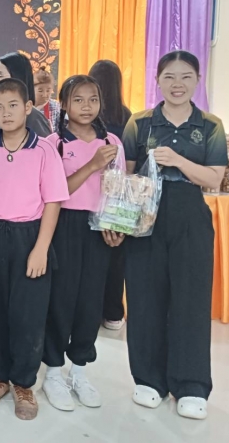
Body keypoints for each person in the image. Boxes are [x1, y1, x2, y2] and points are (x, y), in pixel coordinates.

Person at [122, 51, 227, 420]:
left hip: (190, 216)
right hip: (145, 217)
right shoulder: (139, 122)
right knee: (145, 297)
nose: (177, 84)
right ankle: (148, 379)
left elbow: (214, 179)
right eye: (169, 76)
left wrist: (179, 161)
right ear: (157, 80)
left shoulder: (211, 125)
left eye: (185, 76)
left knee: (191, 299)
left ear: (197, 80)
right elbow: (127, 177)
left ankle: (191, 384)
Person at [0, 78, 68, 421]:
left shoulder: (44, 150)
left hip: (30, 236)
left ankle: (23, 383)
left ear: (27, 108)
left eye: (13, 105)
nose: (5, 113)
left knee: (29, 314)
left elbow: (53, 202)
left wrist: (41, 248)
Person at [41, 75, 124, 412]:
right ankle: (52, 372)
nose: (86, 106)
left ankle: (79, 370)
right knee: (61, 298)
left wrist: (117, 224)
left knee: (91, 299)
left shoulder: (112, 141)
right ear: (64, 104)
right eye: (78, 100)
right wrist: (92, 165)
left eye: (93, 99)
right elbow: (55, 192)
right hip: (63, 225)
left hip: (99, 226)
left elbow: (118, 187)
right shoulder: (53, 143)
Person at [0, 51, 52, 342]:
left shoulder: (37, 131)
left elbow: (51, 195)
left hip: (27, 229)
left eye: (2, 75)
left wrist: (41, 246)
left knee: (25, 307)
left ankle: (24, 362)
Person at [89, 59, 133, 331]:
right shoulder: (127, 116)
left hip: (89, 194)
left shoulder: (88, 118)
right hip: (117, 196)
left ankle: (91, 313)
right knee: (116, 256)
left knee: (92, 260)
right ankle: (114, 313)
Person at [33, 67, 60, 133]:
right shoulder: (26, 106)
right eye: (40, 91)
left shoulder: (56, 106)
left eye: (48, 90)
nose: (45, 95)